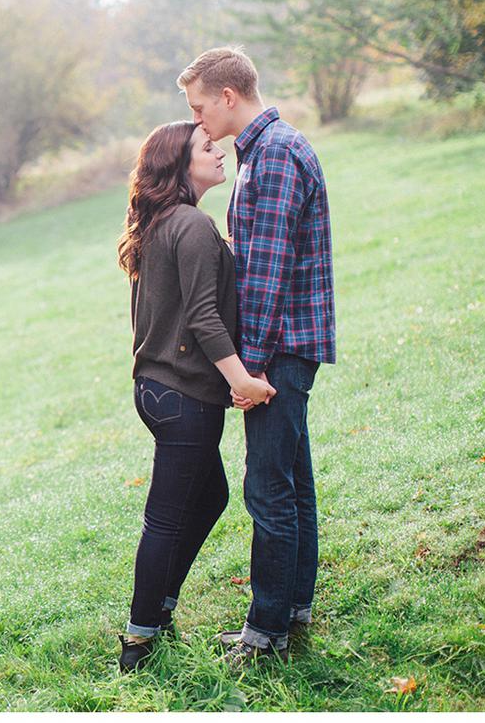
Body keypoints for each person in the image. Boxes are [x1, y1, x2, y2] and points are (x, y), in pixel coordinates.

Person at [178, 46, 336, 669]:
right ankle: (292, 610)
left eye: (199, 106)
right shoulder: (270, 149)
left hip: (279, 348)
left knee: (269, 490)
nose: (197, 120)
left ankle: (265, 633)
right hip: (288, 343)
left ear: (228, 96)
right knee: (292, 484)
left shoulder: (273, 157)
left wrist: (250, 370)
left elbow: (264, 280)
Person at [115, 120, 276, 673]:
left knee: (209, 498)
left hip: (156, 391)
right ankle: (139, 641)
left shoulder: (160, 223)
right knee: (164, 518)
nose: (219, 151)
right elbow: (204, 317)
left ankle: (158, 610)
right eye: (206, 148)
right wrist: (242, 380)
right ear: (180, 166)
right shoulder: (191, 224)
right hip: (184, 396)